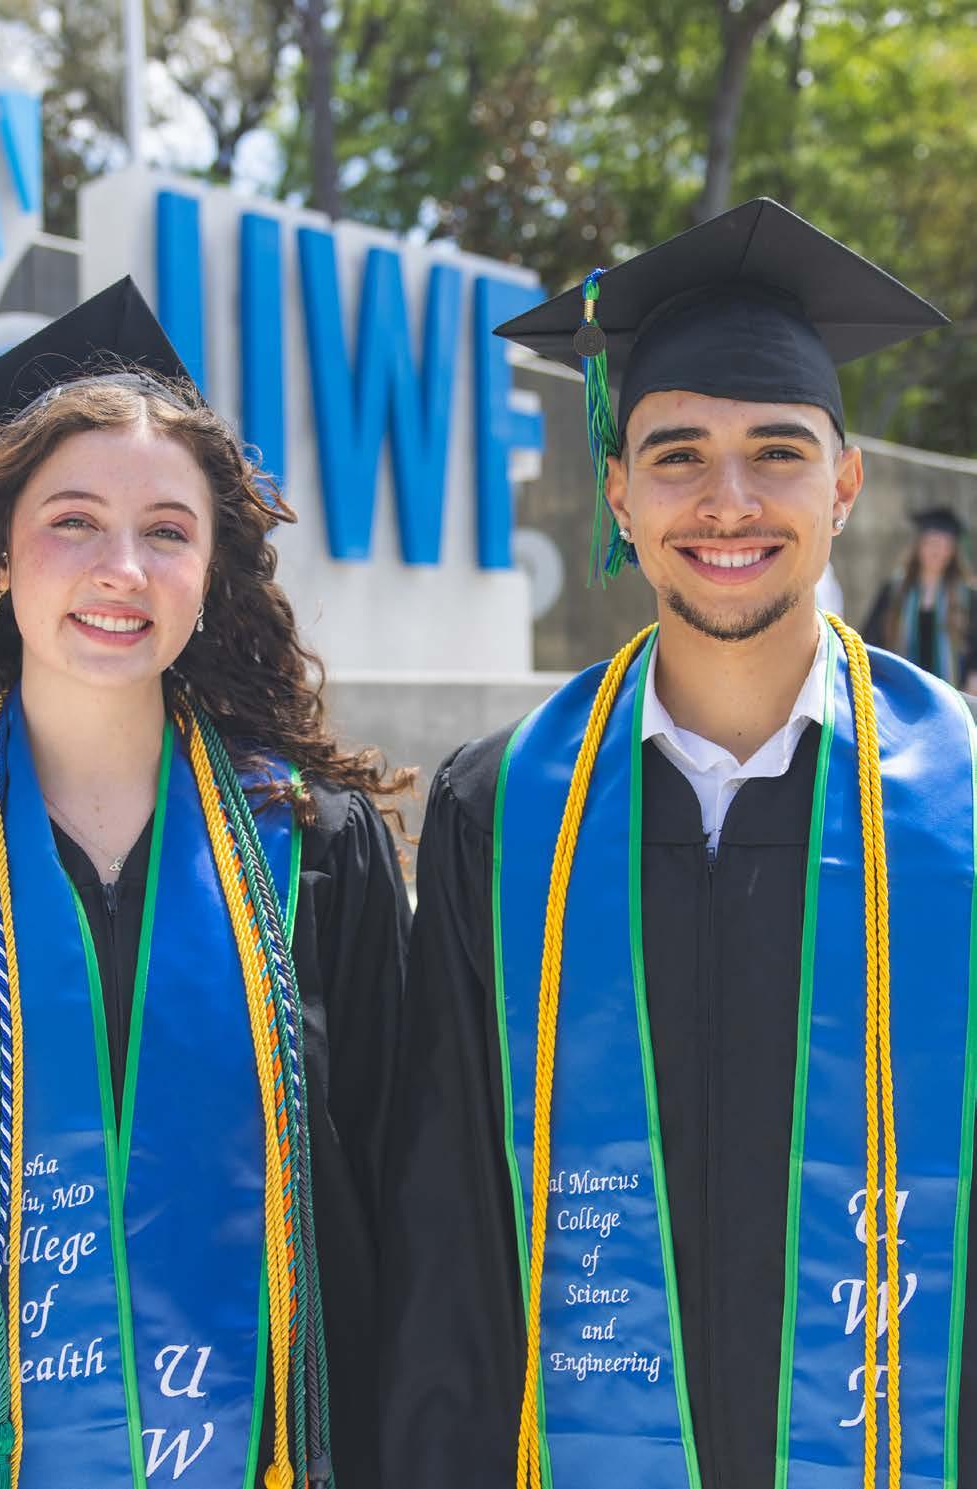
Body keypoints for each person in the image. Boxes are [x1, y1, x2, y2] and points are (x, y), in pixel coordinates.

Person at [0, 278, 410, 1489]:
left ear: (210, 574)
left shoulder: (317, 854)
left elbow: (395, 1204)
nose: (122, 567)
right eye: (73, 521)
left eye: (167, 530)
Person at [379, 199, 976, 1489]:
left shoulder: (962, 810)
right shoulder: (506, 813)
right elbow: (450, 1234)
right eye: (678, 454)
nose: (728, 500)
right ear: (620, 492)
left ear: (845, 484)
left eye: (778, 451)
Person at [863, 506, 977, 689]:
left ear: (952, 551)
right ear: (919, 546)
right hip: (902, 688)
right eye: (931, 543)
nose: (936, 551)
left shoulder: (967, 595)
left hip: (953, 691)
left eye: (944, 545)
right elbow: (871, 638)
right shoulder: (894, 590)